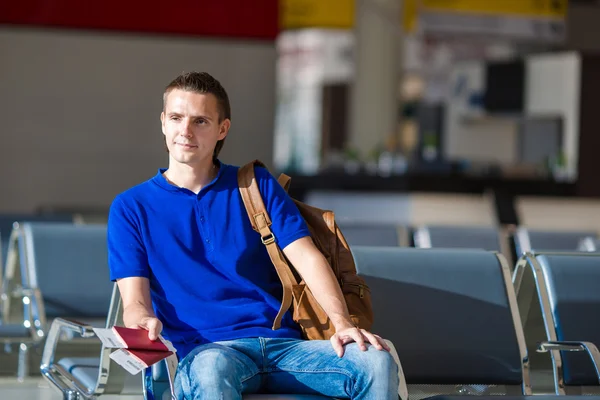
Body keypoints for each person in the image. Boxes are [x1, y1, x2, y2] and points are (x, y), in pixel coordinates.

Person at [107, 71, 399, 400]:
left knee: (375, 362)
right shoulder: (131, 207)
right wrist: (143, 320)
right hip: (208, 352)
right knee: (211, 371)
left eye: (200, 121)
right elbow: (134, 302)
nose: (185, 131)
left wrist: (343, 324)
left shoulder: (255, 184)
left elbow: (307, 256)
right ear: (163, 122)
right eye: (176, 118)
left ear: (222, 129)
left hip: (287, 348)